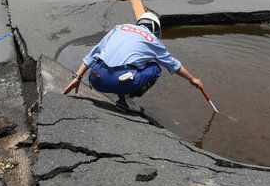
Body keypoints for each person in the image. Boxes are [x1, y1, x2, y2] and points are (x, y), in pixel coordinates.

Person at [62, 11, 204, 111]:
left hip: (96, 78)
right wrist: (192, 79)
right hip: (119, 81)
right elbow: (174, 65)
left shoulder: (119, 28)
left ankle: (122, 94)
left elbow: (94, 53)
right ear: (155, 29)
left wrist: (77, 77)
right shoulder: (152, 40)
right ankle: (126, 100)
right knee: (155, 67)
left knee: (128, 64)